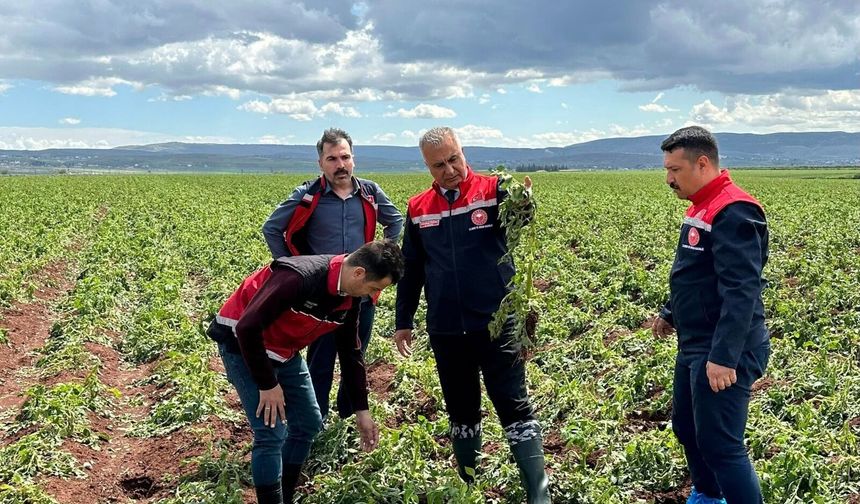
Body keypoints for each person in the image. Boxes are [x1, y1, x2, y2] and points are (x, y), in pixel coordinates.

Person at [393, 127, 550, 503]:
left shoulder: (494, 191)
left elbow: (523, 223)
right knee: (461, 408)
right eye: (439, 165)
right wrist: (403, 321)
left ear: (463, 153)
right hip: (446, 328)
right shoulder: (418, 209)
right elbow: (411, 269)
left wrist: (525, 203)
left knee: (513, 403)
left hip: (497, 322)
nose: (449, 170)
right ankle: (469, 485)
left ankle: (538, 492)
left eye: (454, 159)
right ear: (427, 167)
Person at [207, 240, 405, 504]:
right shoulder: (299, 276)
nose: (372, 295)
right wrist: (268, 385)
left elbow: (350, 352)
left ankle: (285, 495)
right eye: (374, 288)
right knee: (271, 432)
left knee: (309, 423)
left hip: (283, 350)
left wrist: (362, 411)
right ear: (359, 273)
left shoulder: (349, 298)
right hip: (242, 345)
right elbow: (246, 328)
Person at [653, 126, 770, 504]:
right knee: (686, 428)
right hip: (695, 341)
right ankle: (707, 494)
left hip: (722, 346)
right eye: (667, 170)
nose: (669, 179)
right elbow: (696, 272)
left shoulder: (734, 210)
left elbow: (742, 290)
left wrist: (723, 357)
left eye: (675, 169)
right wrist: (670, 312)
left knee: (721, 445)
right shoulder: (702, 205)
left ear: (702, 163)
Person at [262, 128, 403, 421]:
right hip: (323, 294)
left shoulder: (370, 192)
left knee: (356, 353)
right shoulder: (307, 195)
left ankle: (349, 414)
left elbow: (396, 221)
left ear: (353, 159)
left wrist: (383, 259)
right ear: (320, 163)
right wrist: (292, 270)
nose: (340, 164)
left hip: (362, 291)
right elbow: (272, 228)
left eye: (345, 157)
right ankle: (317, 418)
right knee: (321, 359)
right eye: (332, 159)